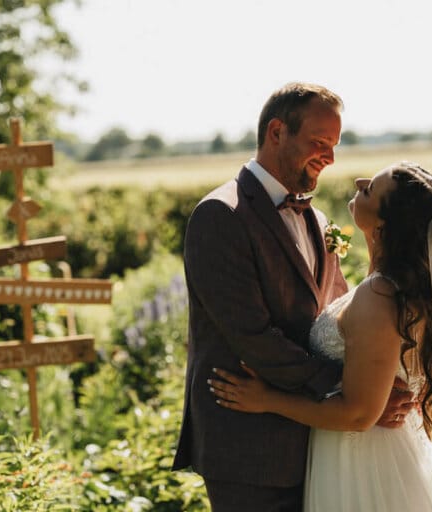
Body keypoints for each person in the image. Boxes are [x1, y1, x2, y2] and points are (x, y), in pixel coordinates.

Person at [171, 82, 414, 511]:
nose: (331, 157)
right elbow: (254, 337)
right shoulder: (220, 216)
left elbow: (338, 324)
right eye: (320, 141)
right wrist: (349, 392)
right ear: (277, 132)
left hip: (319, 442)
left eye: (335, 144)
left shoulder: (318, 219)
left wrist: (373, 388)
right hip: (250, 448)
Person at [209, 162, 432, 511]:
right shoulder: (401, 291)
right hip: (377, 450)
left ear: (385, 224)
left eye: (371, 188)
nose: (360, 180)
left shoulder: (380, 295)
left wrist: (267, 399)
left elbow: (357, 414)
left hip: (366, 463)